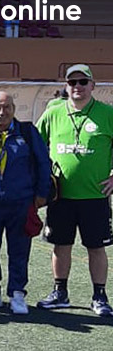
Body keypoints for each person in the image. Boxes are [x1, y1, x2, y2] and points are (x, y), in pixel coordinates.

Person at [35, 64, 113, 317]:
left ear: (93, 85)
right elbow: (36, 146)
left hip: (95, 195)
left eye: (82, 82)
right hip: (61, 196)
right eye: (72, 82)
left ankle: (99, 296)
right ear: (66, 87)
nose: (77, 87)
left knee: (96, 247)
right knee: (61, 245)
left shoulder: (107, 113)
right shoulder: (53, 113)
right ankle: (60, 293)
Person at [0, 92, 51, 314]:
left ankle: (17, 293)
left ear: (14, 109)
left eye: (6, 107)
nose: (1, 112)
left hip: (21, 202)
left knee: (19, 250)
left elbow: (44, 163)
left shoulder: (27, 132)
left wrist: (42, 193)